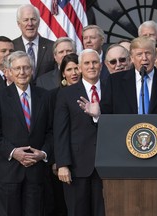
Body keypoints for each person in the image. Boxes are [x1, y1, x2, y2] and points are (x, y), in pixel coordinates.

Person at [0, 51, 52, 216]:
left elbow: (51, 131)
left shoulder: (45, 96)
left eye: (26, 68)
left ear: (32, 70)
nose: (22, 72)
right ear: (10, 72)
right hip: (9, 173)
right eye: (18, 68)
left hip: (36, 174)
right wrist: (13, 153)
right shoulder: (0, 97)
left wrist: (43, 153)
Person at [54, 49, 105, 216]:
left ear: (101, 65)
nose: (91, 66)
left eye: (95, 62)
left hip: (107, 165)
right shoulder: (66, 94)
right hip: (77, 166)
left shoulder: (111, 89)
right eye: (87, 63)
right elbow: (60, 131)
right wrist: (62, 164)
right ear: (80, 68)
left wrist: (98, 117)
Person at [46, 53, 81, 216]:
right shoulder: (54, 96)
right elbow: (53, 130)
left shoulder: (90, 92)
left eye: (76, 68)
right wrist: (57, 161)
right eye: (69, 69)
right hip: (62, 162)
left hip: (83, 160)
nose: (73, 73)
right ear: (63, 74)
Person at [13, 4, 55, 82]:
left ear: (38, 22)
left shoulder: (52, 46)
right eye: (26, 20)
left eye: (33, 19)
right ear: (19, 24)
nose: (30, 24)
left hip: (46, 92)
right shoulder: (12, 47)